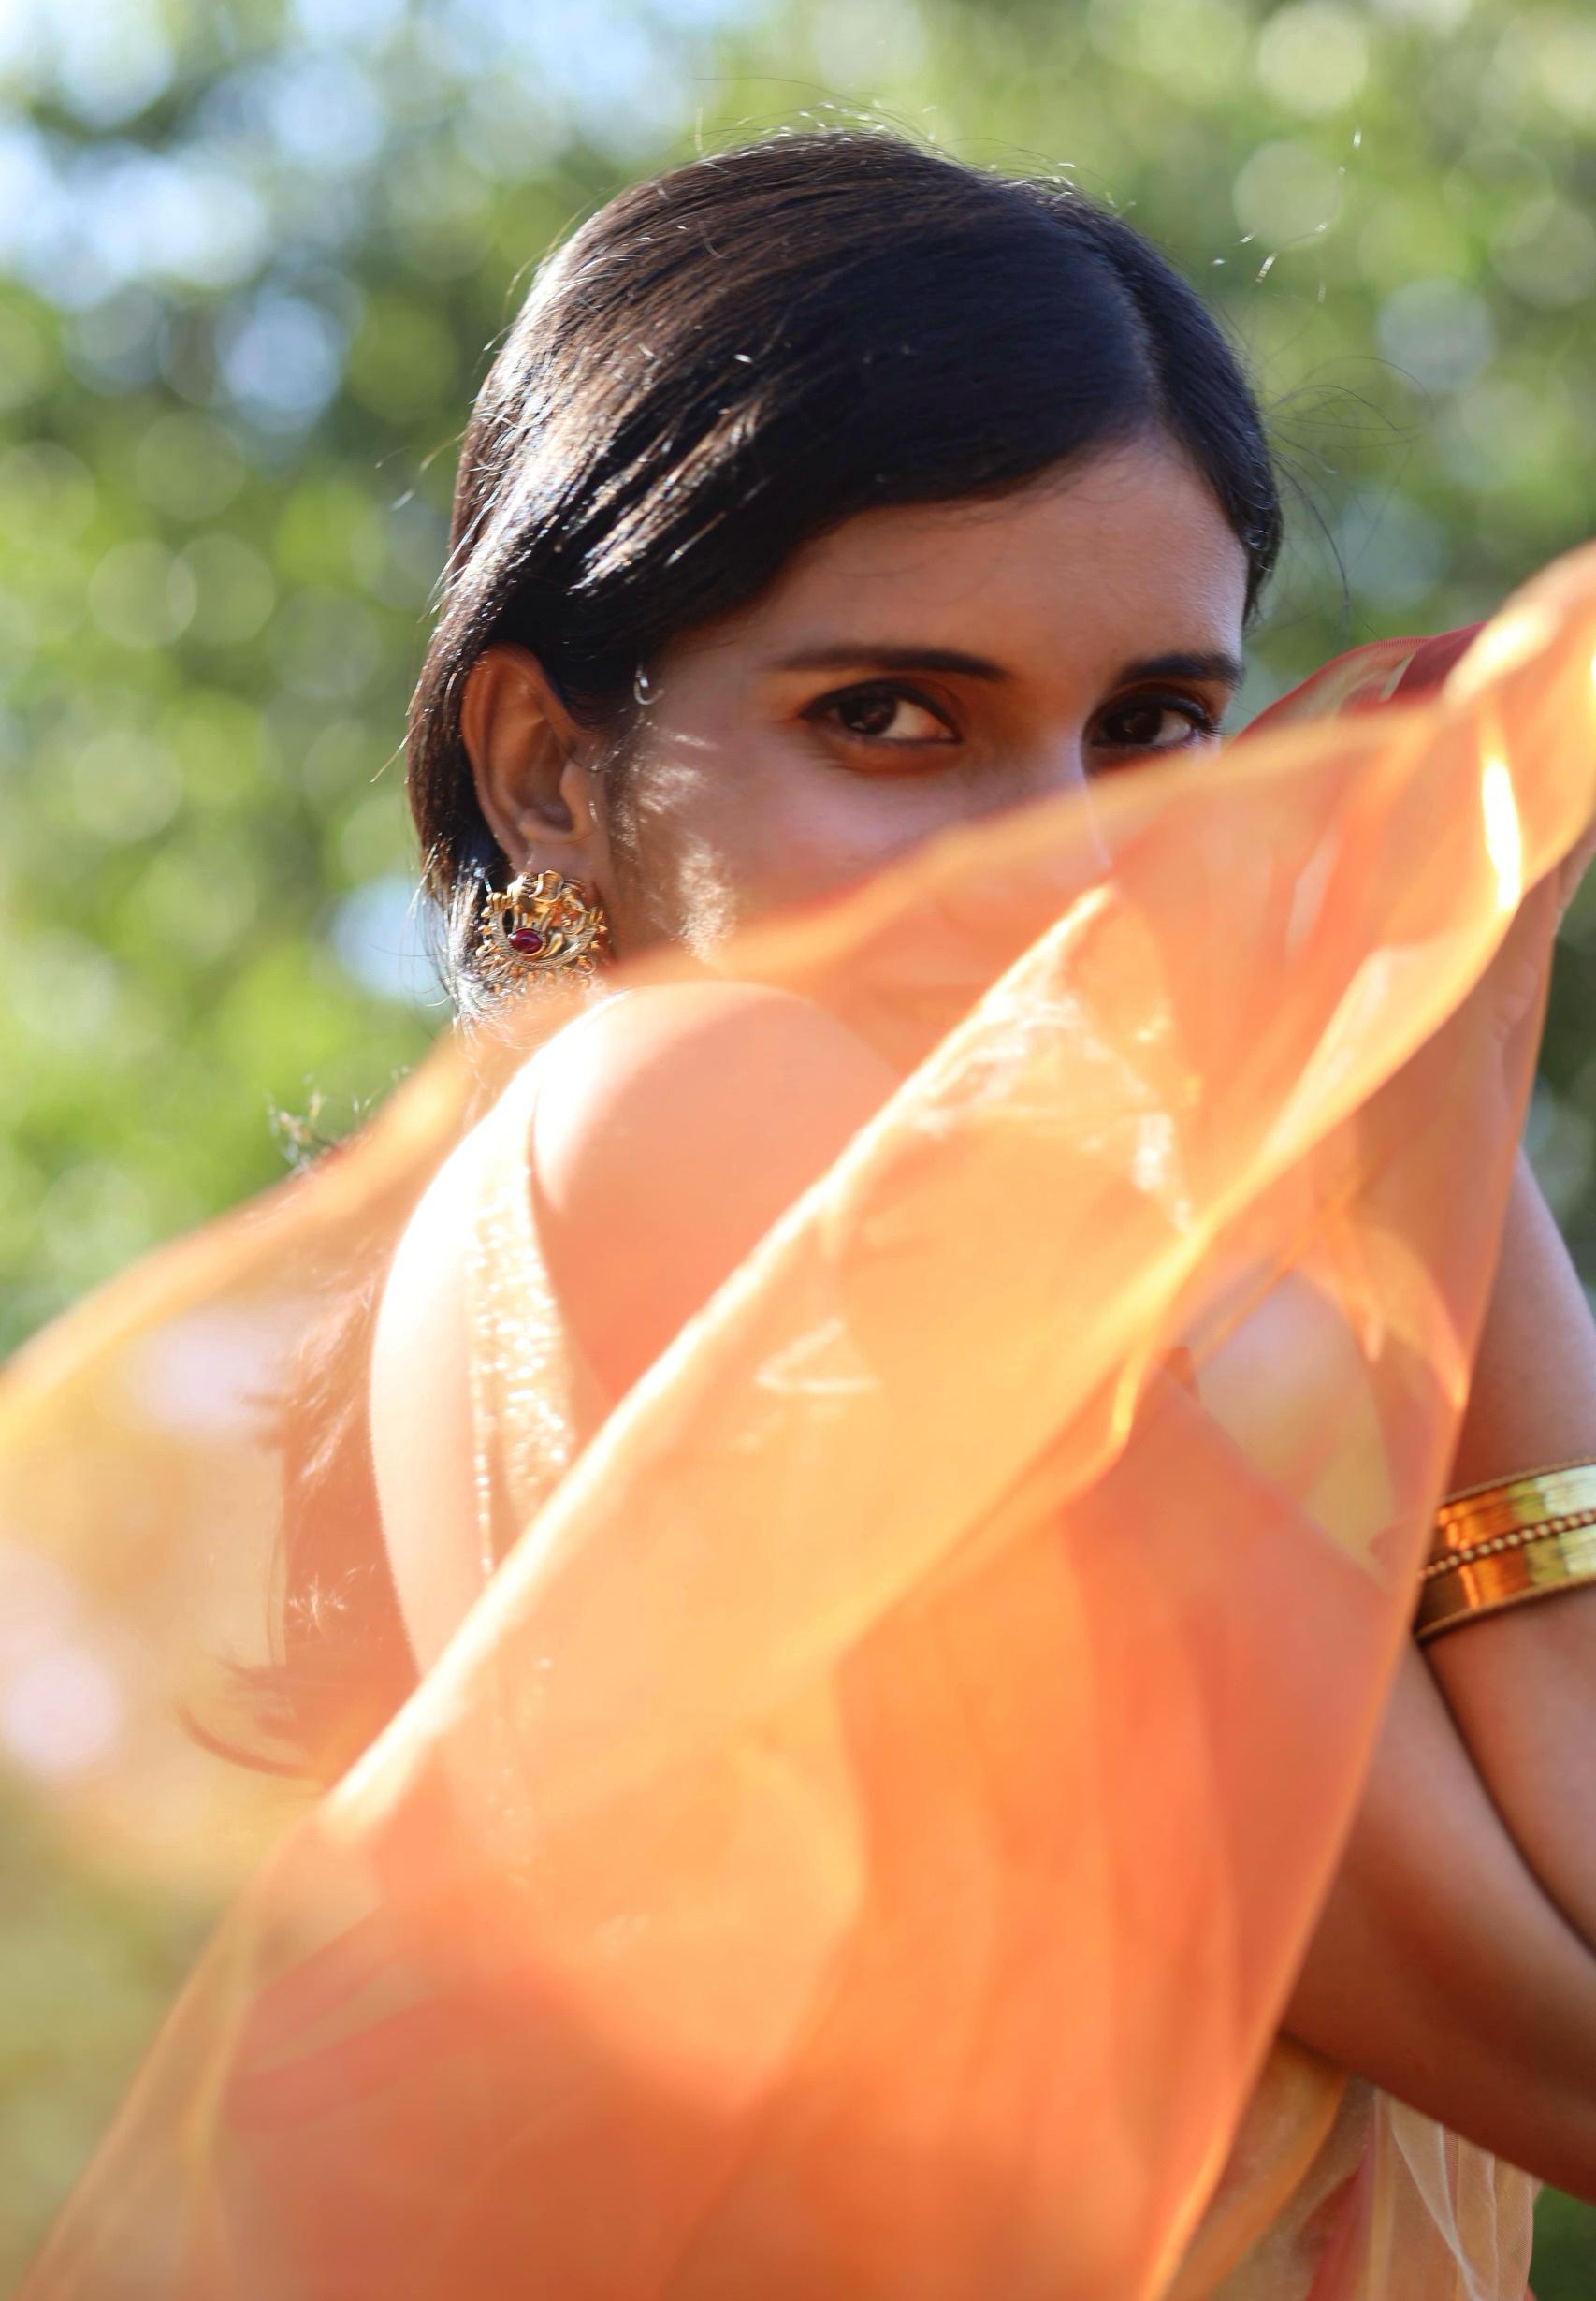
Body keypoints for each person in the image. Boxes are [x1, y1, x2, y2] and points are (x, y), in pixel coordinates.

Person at [6, 126, 1596, 2298]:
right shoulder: (694, 1114)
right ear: (548, 767)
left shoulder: (1115, 1303)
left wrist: (1431, 1096)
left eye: (1153, 729)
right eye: (894, 719)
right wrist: (1444, 1050)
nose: (1065, 873)